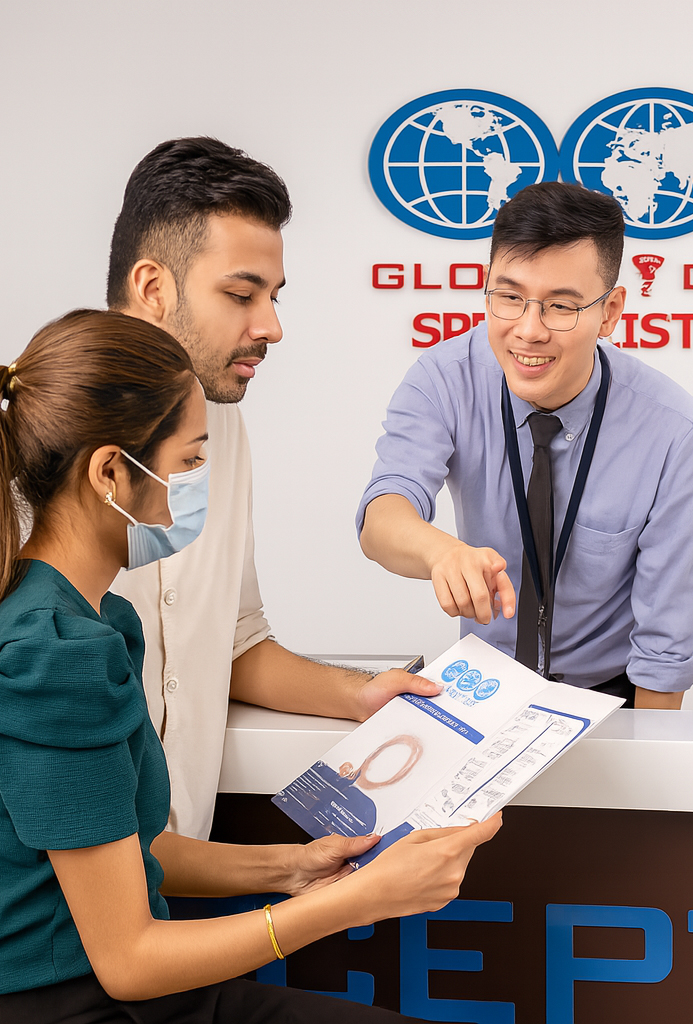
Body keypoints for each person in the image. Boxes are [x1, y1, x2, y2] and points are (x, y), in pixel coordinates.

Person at [0, 308, 500, 1022]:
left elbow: (125, 851)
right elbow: (129, 961)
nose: (202, 483)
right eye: (192, 461)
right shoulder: (56, 658)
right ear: (111, 471)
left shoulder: (95, 621)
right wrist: (356, 902)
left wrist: (293, 867)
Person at [106, 138, 440, 840]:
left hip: (168, 877)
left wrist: (358, 694)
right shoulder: (33, 443)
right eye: (240, 294)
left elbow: (233, 641)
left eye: (273, 296)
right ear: (153, 287)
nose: (272, 327)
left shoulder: (222, 432)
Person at [358, 182, 693, 709]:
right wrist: (442, 553)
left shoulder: (671, 428)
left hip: (609, 699)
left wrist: (646, 765)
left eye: (561, 307)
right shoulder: (443, 379)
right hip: (481, 692)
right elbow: (382, 517)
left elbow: (665, 640)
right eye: (509, 298)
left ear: (610, 311)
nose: (528, 330)